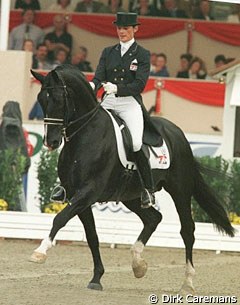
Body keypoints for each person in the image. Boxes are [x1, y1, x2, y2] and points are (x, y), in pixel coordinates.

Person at [89, 12, 158, 208]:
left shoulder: (142, 54)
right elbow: (98, 77)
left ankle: (148, 189)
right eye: (119, 28)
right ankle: (66, 183)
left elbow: (139, 85)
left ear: (134, 29)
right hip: (109, 100)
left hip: (129, 103)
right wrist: (92, 87)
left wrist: (118, 88)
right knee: (87, 130)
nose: (122, 32)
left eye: (126, 28)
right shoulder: (108, 51)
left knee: (136, 142)